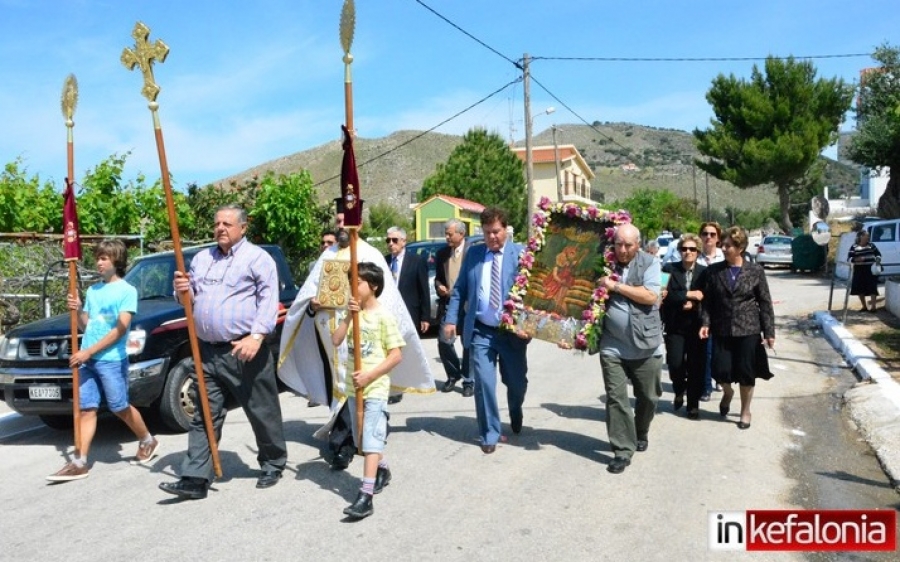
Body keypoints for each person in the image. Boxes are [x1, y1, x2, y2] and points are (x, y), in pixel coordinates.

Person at [277, 211, 433, 471]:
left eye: (345, 221)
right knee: (339, 387)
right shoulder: (327, 256)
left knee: (358, 386)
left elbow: (386, 300)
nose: (340, 226)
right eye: (337, 222)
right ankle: (348, 440)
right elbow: (308, 297)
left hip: (364, 335)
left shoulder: (370, 255)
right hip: (332, 338)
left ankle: (346, 444)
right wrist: (313, 304)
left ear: (357, 223)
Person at [159, 204, 287, 500]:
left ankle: (272, 462)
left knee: (261, 409)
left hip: (244, 349)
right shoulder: (202, 259)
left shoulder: (258, 259)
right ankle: (195, 477)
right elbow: (189, 302)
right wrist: (182, 290)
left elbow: (269, 300)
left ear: (243, 228)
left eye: (227, 224)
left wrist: (256, 337)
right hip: (205, 351)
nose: (220, 228)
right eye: (217, 223)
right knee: (204, 412)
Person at [46, 239, 159, 482]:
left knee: (119, 407)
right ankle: (80, 462)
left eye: (104, 258)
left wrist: (88, 352)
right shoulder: (93, 291)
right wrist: (76, 311)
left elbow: (120, 330)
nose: (98, 262)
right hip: (87, 359)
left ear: (116, 261)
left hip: (110, 359)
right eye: (98, 257)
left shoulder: (127, 291)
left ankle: (147, 440)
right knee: (87, 408)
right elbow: (87, 326)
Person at [444, 207, 530, 454]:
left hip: (512, 333)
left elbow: (535, 295)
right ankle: (489, 433)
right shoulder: (474, 254)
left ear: (506, 230)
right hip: (482, 330)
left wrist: (529, 326)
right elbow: (460, 289)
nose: (492, 237)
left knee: (516, 383)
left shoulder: (521, 254)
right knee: (484, 383)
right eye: (487, 232)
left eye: (496, 232)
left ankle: (516, 407)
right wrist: (451, 320)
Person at [331, 262, 404, 519]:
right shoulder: (352, 313)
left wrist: (370, 375)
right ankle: (382, 468)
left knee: (371, 438)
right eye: (351, 281)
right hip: (354, 388)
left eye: (358, 282)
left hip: (374, 387)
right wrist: (350, 316)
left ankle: (366, 495)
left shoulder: (383, 317)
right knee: (362, 438)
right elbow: (336, 340)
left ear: (372, 286)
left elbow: (396, 355)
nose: (354, 286)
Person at [596, 223, 664, 474]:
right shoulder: (604, 262)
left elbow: (650, 296)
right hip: (612, 345)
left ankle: (641, 430)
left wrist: (614, 286)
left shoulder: (650, 263)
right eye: (618, 244)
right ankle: (623, 450)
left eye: (628, 245)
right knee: (616, 398)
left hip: (646, 345)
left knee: (648, 397)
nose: (622, 250)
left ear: (638, 244)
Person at [699, 226, 776, 431]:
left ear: (740, 247)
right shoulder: (714, 272)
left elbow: (765, 302)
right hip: (722, 328)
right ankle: (727, 392)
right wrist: (705, 323)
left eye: (728, 245)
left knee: (746, 373)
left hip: (748, 329)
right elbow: (707, 302)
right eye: (722, 244)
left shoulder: (755, 271)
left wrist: (769, 332)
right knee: (720, 370)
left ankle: (745, 410)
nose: (723, 248)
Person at [661, 234, 708, 420]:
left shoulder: (705, 272)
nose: (688, 252)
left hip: (696, 326)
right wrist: (689, 295)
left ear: (698, 251)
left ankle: (693, 405)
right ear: (679, 251)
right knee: (675, 364)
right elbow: (664, 295)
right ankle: (679, 390)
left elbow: (707, 296)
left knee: (696, 367)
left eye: (692, 249)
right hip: (675, 325)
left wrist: (695, 303)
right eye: (684, 249)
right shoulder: (668, 269)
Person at [435, 218, 474, 396]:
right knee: (444, 341)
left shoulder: (473, 252)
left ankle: (468, 380)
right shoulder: (442, 254)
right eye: (446, 234)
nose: (447, 237)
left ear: (461, 233)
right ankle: (453, 374)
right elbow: (438, 278)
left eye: (450, 234)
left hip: (468, 305)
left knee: (469, 343)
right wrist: (439, 287)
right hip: (449, 303)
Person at [697, 221, 725, 401]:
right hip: (700, 312)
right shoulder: (694, 256)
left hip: (722, 312)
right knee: (705, 351)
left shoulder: (724, 257)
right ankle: (705, 387)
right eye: (705, 234)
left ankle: (720, 378)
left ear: (718, 238)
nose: (708, 237)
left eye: (712, 234)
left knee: (720, 350)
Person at [384, 226, 430, 335]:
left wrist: (425, 317)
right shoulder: (384, 261)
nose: (390, 243)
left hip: (409, 312)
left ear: (403, 241)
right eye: (388, 240)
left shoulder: (417, 261)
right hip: (388, 313)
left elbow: (424, 290)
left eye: (394, 240)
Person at [849, 230, 882, 312]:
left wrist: (878, 258)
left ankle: (873, 307)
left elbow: (878, 254)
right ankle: (864, 306)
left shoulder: (872, 245)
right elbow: (849, 258)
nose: (868, 237)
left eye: (868, 236)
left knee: (872, 287)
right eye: (866, 235)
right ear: (861, 236)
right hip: (859, 270)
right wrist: (857, 259)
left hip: (870, 269)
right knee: (860, 288)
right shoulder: (854, 247)